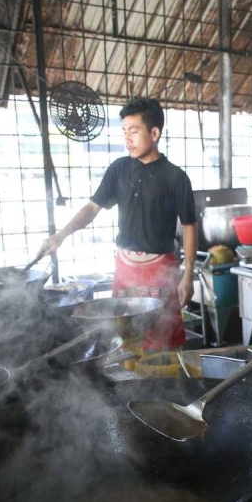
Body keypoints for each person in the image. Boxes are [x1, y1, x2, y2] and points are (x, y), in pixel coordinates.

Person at [38, 97, 196, 352]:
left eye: (134, 131)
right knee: (125, 340)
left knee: (162, 341)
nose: (127, 139)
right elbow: (92, 208)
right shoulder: (119, 169)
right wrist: (61, 235)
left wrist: (187, 276)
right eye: (124, 132)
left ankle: (168, 388)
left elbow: (189, 226)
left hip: (161, 271)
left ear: (154, 132)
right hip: (125, 268)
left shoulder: (176, 177)